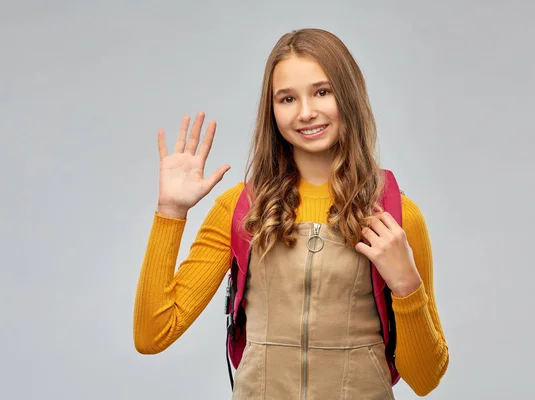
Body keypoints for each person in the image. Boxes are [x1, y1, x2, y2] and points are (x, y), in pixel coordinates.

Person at [133, 28, 449, 399]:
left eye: (322, 91)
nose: (305, 112)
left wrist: (407, 286)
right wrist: (170, 214)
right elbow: (153, 335)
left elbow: (425, 379)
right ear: (272, 111)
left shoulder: (397, 216)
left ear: (348, 95)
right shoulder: (241, 210)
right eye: (286, 98)